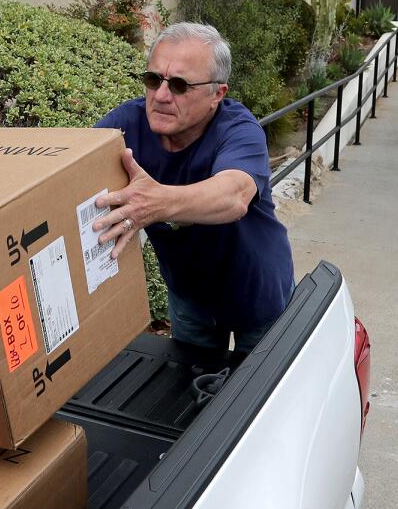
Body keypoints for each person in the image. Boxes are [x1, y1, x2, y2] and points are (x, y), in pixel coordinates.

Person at [92, 22, 294, 354]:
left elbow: (233, 195)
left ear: (218, 94)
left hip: (258, 295)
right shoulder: (127, 125)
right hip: (189, 299)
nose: (160, 96)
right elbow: (70, 166)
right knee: (190, 395)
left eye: (180, 85)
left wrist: (156, 202)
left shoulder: (239, 129)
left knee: (259, 401)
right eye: (153, 79)